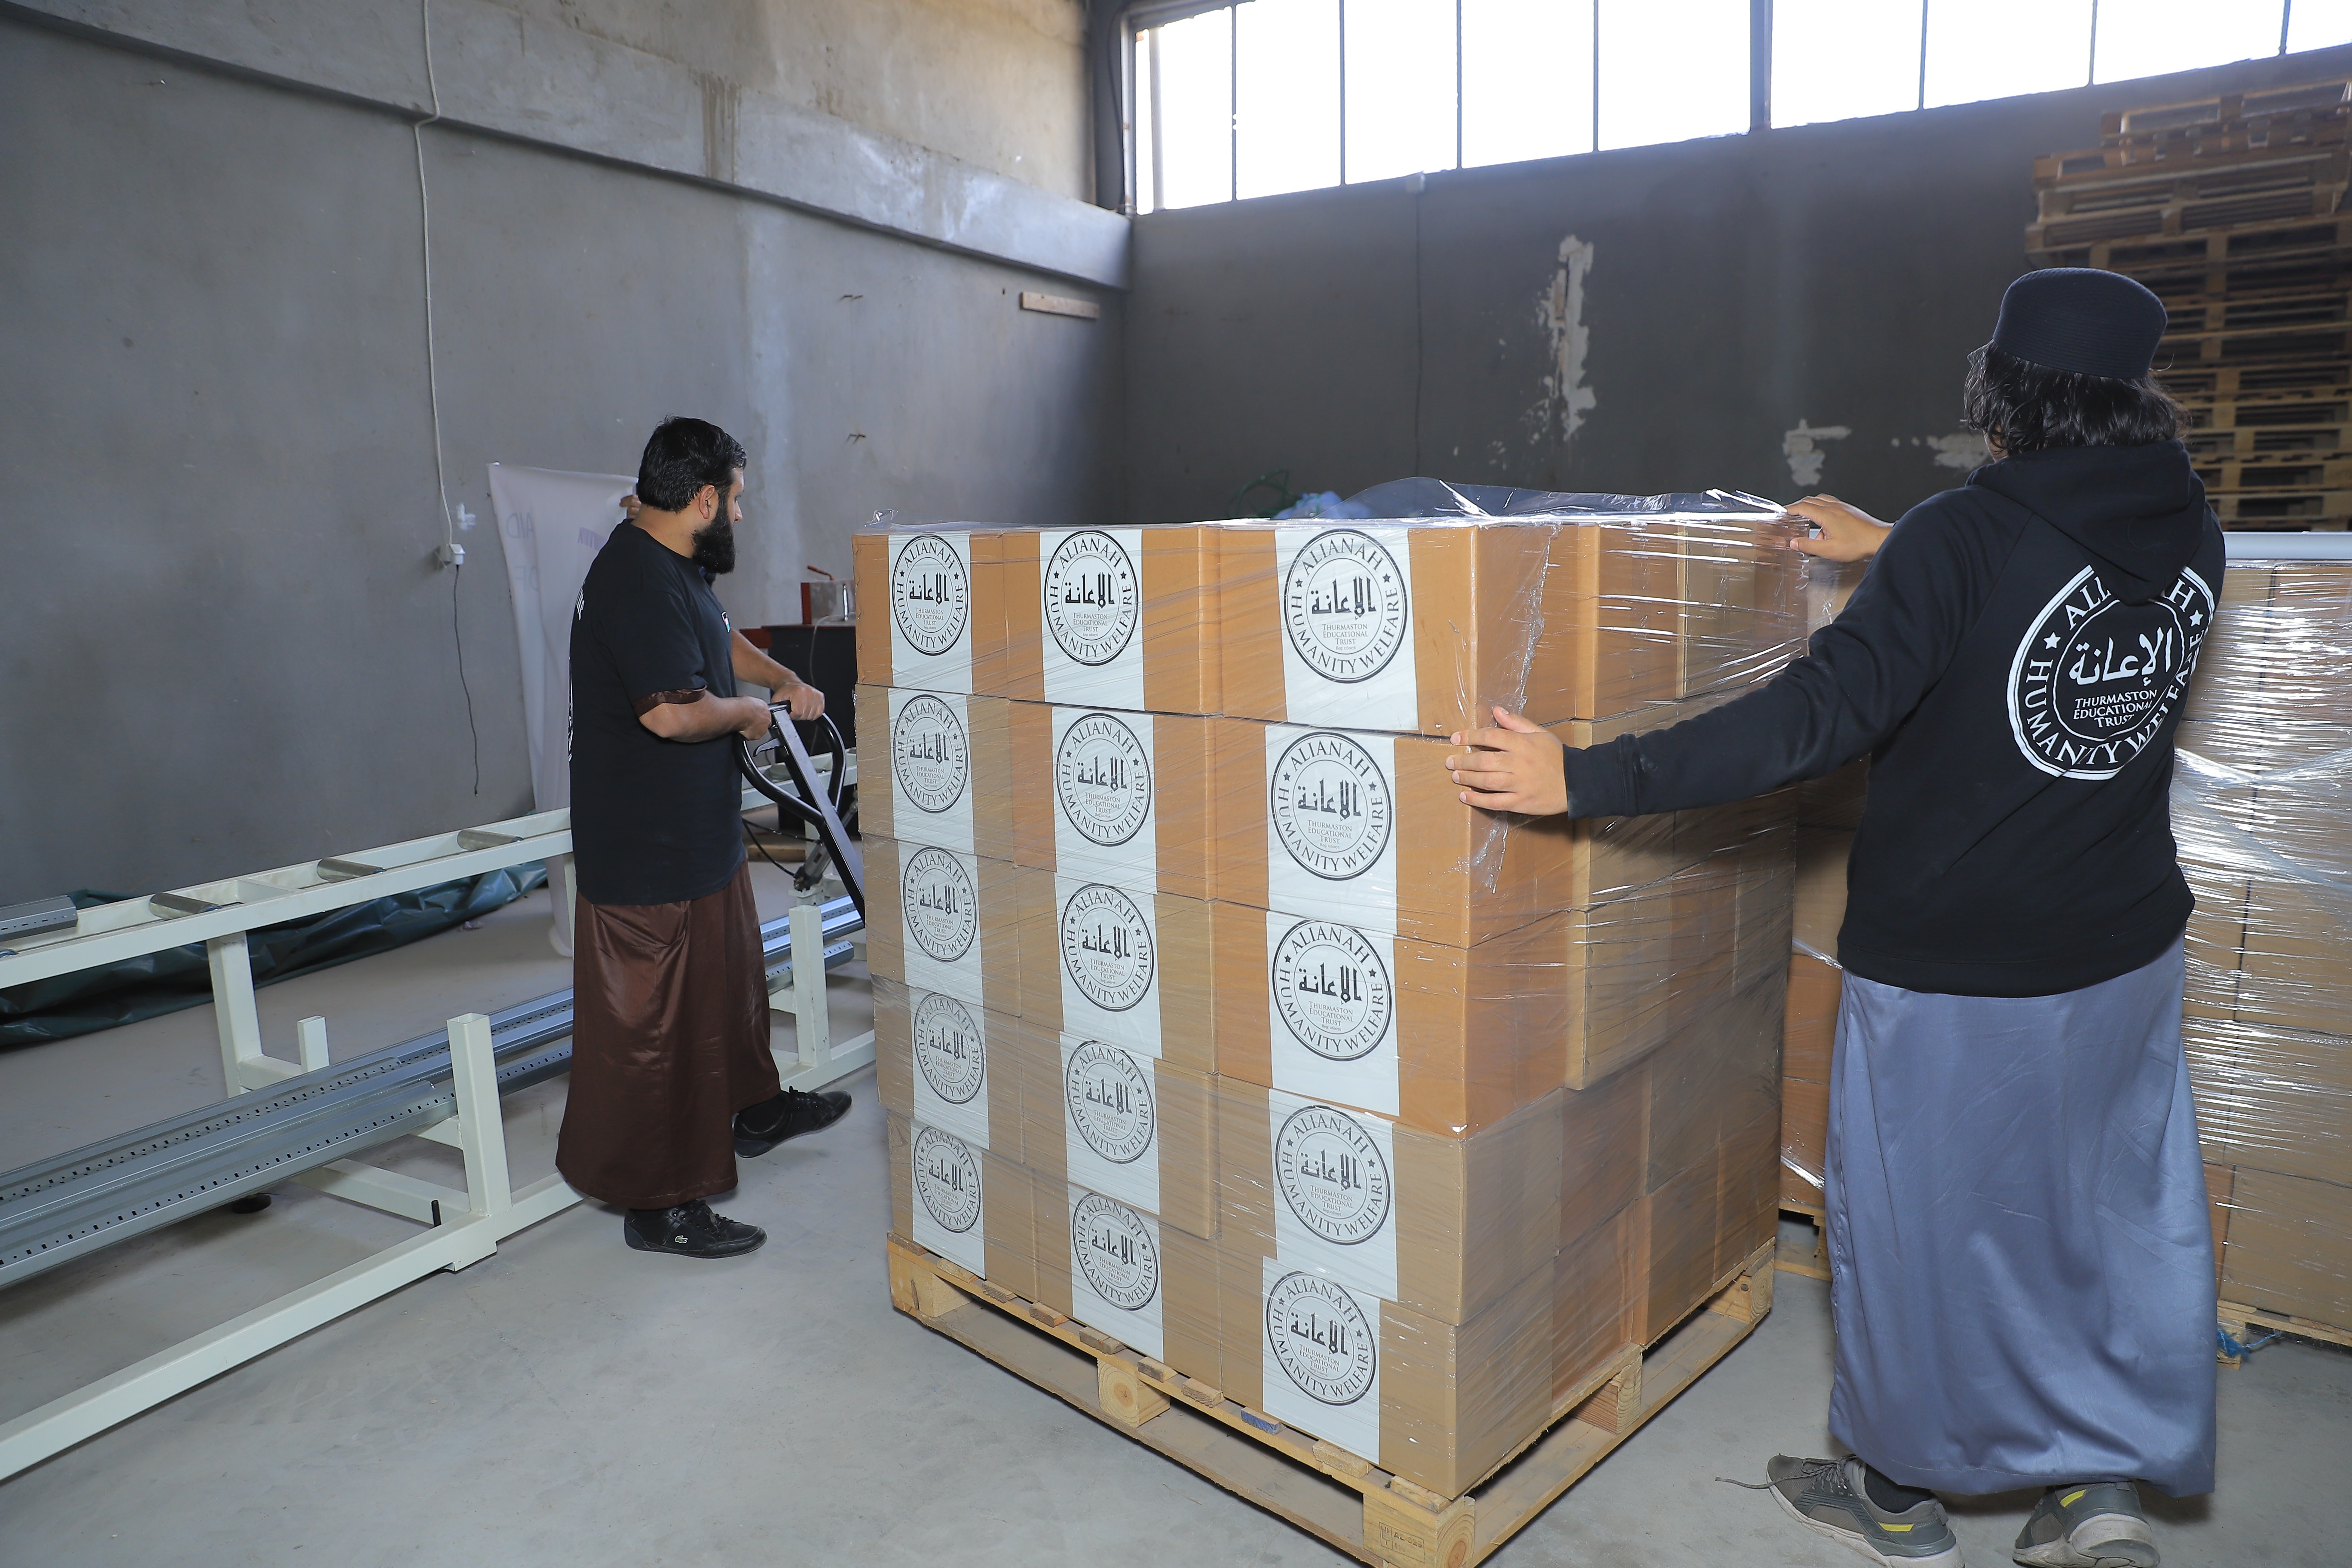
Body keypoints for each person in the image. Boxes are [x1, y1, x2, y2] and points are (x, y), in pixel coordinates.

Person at [1447, 269, 2221, 1568]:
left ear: (2002, 395)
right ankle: (2094, 1495)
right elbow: (2038, 563)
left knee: (1918, 1237)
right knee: (2097, 1221)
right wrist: (1903, 541)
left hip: (1960, 974)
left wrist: (1583, 777)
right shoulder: (2187, 527)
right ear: (2136, 398)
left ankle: (1901, 1498)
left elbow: (1813, 720)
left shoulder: (1963, 547)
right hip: (2125, 956)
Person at [558, 416, 850, 1259]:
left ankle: (755, 1107)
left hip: (698, 837)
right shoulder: (633, 581)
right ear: (702, 500)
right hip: (648, 856)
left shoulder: (668, 564)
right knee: (658, 1034)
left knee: (731, 987)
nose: (742, 517)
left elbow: (715, 640)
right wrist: (752, 716)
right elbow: (673, 711)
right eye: (737, 501)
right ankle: (663, 1204)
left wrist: (785, 677)